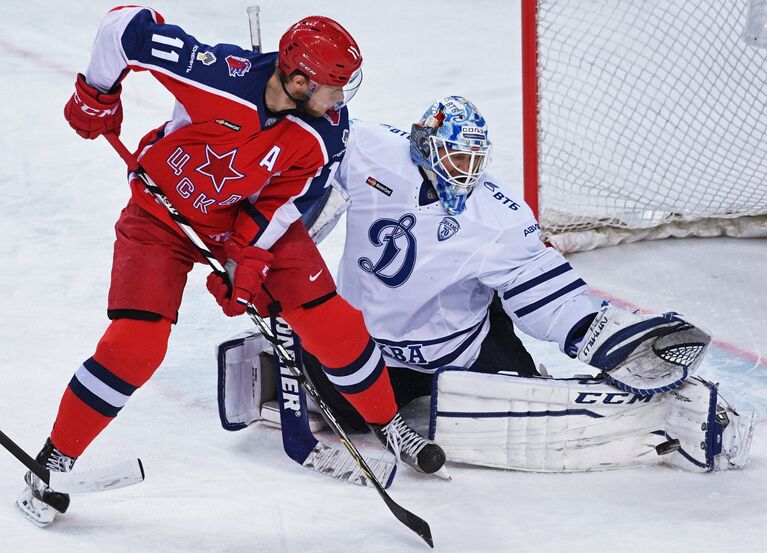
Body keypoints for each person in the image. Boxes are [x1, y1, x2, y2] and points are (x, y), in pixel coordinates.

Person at [17, 6, 444, 528]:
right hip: (162, 216)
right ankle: (54, 459)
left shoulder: (326, 132)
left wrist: (246, 261)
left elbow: (283, 204)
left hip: (248, 221)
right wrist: (96, 94)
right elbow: (124, 26)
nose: (340, 101)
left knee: (333, 323)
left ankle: (389, 423)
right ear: (299, 78)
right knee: (136, 343)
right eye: (334, 87)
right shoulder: (215, 73)